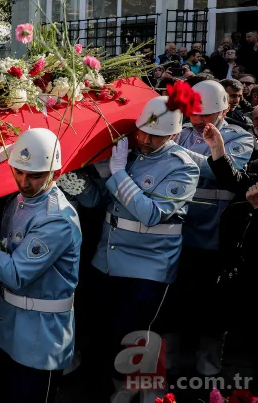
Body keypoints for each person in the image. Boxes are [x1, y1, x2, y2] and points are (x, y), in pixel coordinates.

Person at [72, 97, 199, 401]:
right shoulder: (130, 155)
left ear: (174, 134)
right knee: (103, 329)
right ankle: (114, 384)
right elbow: (95, 200)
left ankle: (141, 390)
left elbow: (151, 214)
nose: (144, 139)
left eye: (155, 135)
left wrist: (117, 174)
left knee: (137, 333)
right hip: (107, 259)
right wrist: (72, 178)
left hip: (148, 266)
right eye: (142, 131)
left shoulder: (183, 167)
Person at [0, 128, 81, 403]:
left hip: (38, 339)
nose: (23, 182)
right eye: (18, 172)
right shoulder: (19, 201)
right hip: (3, 325)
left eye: (34, 175)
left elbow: (14, 274)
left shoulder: (57, 219)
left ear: (55, 172)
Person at [174, 80, 254, 376]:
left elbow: (221, 171)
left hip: (216, 237)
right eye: (193, 113)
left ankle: (208, 369)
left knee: (214, 308)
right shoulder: (181, 133)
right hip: (178, 234)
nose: (197, 120)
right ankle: (169, 365)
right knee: (175, 304)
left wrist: (172, 151)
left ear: (224, 110)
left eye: (205, 115)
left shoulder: (240, 137)